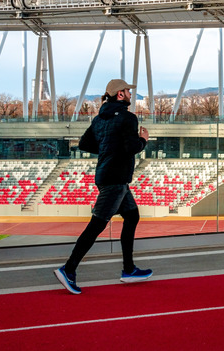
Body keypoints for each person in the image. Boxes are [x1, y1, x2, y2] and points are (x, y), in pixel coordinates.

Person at [55, 78, 152, 294]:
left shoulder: (99, 119)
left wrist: (109, 149)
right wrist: (143, 140)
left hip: (108, 176)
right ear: (120, 94)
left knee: (132, 216)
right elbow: (131, 147)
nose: (130, 94)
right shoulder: (128, 118)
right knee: (96, 225)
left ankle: (129, 269)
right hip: (116, 180)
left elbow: (84, 144)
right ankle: (68, 269)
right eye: (127, 91)